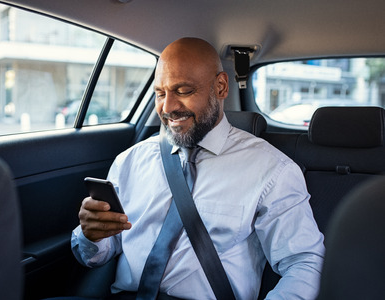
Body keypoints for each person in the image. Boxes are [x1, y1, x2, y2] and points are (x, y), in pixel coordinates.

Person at [71, 37, 325, 299]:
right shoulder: (130, 161)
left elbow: (305, 264)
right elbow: (97, 254)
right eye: (160, 93)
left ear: (221, 87)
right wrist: (92, 236)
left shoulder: (272, 170)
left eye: (183, 91)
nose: (167, 108)